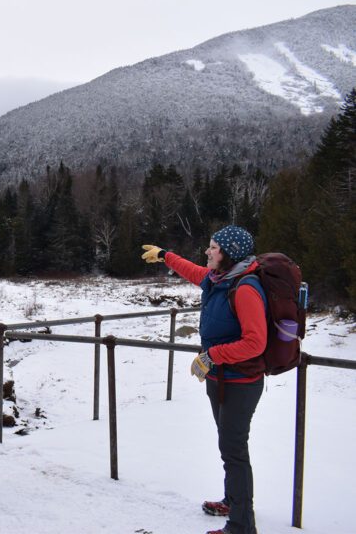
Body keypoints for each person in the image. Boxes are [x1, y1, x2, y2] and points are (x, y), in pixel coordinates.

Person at [141, 225, 266, 534]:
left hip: (240, 382)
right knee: (228, 447)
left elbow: (255, 343)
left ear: (228, 254)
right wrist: (165, 256)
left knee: (234, 450)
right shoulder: (218, 280)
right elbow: (193, 270)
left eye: (214, 248)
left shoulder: (245, 288)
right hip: (219, 378)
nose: (208, 251)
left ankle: (241, 525)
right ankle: (232, 500)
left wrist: (211, 356)